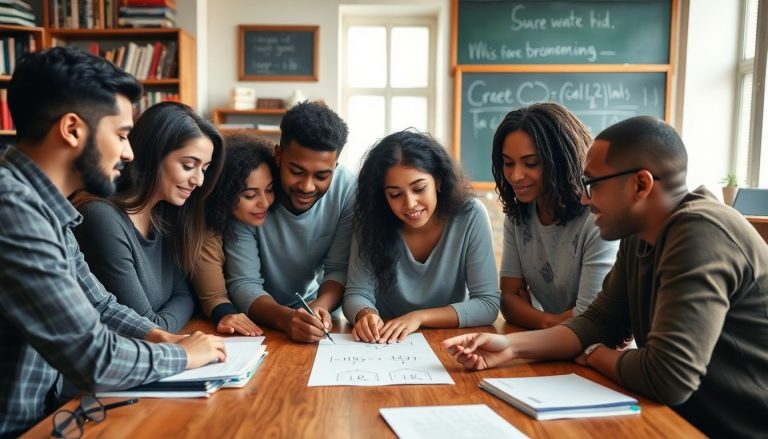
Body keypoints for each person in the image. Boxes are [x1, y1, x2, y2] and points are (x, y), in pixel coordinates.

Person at [442, 116, 768, 437]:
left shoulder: (700, 233)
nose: (584, 198)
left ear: (641, 184)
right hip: (682, 420)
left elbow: (669, 377)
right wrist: (510, 347)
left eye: (592, 184)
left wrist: (595, 354)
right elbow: (598, 321)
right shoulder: (639, 234)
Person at [0, 47, 225, 437]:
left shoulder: (47, 209)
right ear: (72, 129)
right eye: (121, 134)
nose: (128, 152)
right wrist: (180, 354)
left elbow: (100, 302)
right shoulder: (13, 210)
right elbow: (94, 357)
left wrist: (160, 335)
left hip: (43, 419)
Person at [72, 102, 224, 333]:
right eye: (188, 166)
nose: (199, 180)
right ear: (152, 155)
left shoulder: (163, 215)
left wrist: (165, 321)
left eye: (204, 169)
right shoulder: (101, 218)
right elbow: (147, 329)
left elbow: (185, 295)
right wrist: (165, 322)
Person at [343, 130, 500, 343]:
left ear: (439, 180)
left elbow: (487, 304)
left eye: (419, 188)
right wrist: (366, 314)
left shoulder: (470, 215)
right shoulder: (371, 219)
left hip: (448, 339)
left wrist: (418, 318)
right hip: (385, 341)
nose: (409, 204)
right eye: (395, 194)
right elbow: (356, 294)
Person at [224, 101, 354, 343]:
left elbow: (338, 270)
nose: (307, 186)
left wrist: (319, 307)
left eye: (322, 175)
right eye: (296, 171)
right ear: (278, 155)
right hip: (254, 321)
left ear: (335, 168)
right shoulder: (251, 190)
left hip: (317, 315)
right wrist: (285, 319)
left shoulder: (347, 188)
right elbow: (243, 282)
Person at [491, 103, 618, 329]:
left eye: (531, 163)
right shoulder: (518, 215)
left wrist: (532, 315)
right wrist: (549, 321)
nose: (515, 175)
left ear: (561, 161)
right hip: (553, 343)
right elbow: (508, 300)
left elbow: (592, 321)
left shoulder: (597, 219)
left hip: (603, 351)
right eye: (508, 163)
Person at [191, 133, 277, 336]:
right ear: (225, 192)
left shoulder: (265, 215)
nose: (264, 202)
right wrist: (225, 314)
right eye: (249, 195)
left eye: (270, 189)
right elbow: (213, 296)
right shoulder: (207, 229)